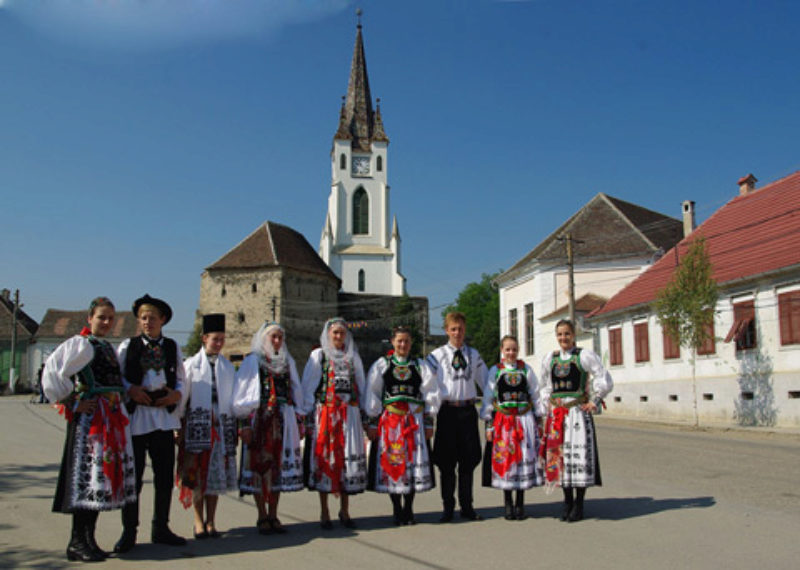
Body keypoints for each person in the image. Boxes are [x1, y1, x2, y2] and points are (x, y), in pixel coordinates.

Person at [42, 297, 137, 562]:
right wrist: (71, 401)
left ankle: (89, 539)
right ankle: (76, 541)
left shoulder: (105, 346)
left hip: (110, 421)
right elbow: (52, 372)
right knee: (86, 481)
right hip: (91, 423)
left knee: (98, 482)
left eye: (110, 318)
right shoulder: (81, 345)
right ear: (90, 318)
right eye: (101, 317)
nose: (106, 322)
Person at [114, 294, 186, 552]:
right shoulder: (127, 346)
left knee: (164, 475)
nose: (147, 322)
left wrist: (176, 395)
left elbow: (181, 378)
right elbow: (117, 377)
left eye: (152, 318)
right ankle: (129, 531)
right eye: (143, 318)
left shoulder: (172, 347)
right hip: (137, 417)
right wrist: (130, 389)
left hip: (163, 418)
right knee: (133, 477)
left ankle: (161, 527)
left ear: (162, 320)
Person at [233, 322, 304, 535]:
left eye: (280, 337)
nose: (277, 341)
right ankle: (261, 514)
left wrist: (298, 421)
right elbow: (241, 394)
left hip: (282, 420)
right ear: (264, 339)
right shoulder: (253, 362)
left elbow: (296, 390)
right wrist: (244, 424)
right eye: (273, 337)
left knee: (277, 468)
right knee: (258, 466)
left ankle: (274, 513)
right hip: (260, 420)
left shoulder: (287, 362)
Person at [365, 326, 440, 525]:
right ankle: (397, 508)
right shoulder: (382, 364)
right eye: (399, 341)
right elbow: (372, 392)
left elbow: (431, 393)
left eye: (406, 341)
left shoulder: (419, 365)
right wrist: (372, 422)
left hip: (413, 422)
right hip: (391, 423)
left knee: (412, 465)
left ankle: (409, 508)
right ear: (392, 342)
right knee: (394, 462)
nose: (403, 345)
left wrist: (429, 420)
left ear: (411, 343)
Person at [539, 319, 613, 522]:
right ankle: (567, 502)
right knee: (560, 457)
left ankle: (579, 505)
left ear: (574, 335)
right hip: (557, 415)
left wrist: (595, 400)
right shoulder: (550, 359)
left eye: (567, 334)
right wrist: (547, 405)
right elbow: (545, 384)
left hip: (577, 414)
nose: (563, 338)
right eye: (560, 334)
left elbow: (602, 376)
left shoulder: (584, 356)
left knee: (577, 458)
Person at [300, 317, 367, 529]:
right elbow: (308, 388)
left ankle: (345, 510)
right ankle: (324, 511)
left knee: (346, 460)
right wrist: (307, 416)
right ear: (328, 334)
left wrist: (365, 415)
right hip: (326, 414)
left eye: (342, 333)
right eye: (335, 333)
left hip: (349, 415)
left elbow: (362, 386)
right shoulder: (319, 356)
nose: (339, 337)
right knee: (326, 460)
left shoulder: (353, 357)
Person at [176, 314, 238, 539]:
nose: (219, 343)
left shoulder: (227, 367)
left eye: (222, 339)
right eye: (215, 339)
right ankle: (198, 521)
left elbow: (233, 398)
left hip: (220, 427)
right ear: (204, 339)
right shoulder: (191, 365)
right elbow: (183, 398)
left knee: (215, 476)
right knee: (197, 475)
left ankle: (212, 520)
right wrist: (178, 425)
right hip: (197, 426)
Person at [427, 311, 488, 522]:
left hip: (467, 411)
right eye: (453, 329)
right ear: (446, 330)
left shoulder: (473, 355)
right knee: (446, 462)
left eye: (461, 329)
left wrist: (489, 410)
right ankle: (447, 507)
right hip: (447, 412)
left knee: (468, 460)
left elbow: (487, 382)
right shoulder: (436, 356)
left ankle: (467, 506)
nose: (457, 333)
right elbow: (428, 385)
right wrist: (429, 413)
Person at [480, 335, 544, 520]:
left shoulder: (526, 370)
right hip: (504, 422)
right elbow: (488, 397)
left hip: (524, 420)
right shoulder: (496, 371)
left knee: (523, 458)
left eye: (514, 349)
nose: (511, 353)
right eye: (507, 349)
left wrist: (539, 420)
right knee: (507, 461)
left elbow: (535, 394)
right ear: (502, 350)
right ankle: (507, 504)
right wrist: (489, 425)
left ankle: (520, 504)